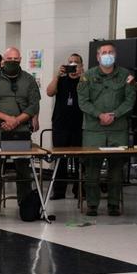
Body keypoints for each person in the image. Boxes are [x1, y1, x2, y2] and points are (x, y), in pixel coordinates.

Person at [0, 47, 41, 217]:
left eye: (16, 58)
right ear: (3, 61)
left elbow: (33, 105)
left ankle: (25, 203)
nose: (13, 61)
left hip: (21, 129)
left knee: (23, 168)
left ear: (20, 59)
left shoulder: (29, 80)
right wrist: (7, 118)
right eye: (9, 58)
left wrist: (17, 120)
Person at [77, 42, 135, 216]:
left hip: (118, 129)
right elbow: (83, 101)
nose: (107, 55)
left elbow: (130, 100)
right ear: (97, 57)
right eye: (104, 52)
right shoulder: (87, 76)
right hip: (94, 130)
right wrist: (99, 115)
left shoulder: (126, 76)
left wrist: (114, 114)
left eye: (110, 52)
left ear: (115, 55)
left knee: (116, 169)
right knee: (92, 169)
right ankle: (92, 204)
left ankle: (113, 204)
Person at [46, 53, 85, 200]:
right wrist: (57, 75)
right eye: (70, 62)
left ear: (81, 65)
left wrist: (82, 76)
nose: (73, 65)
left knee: (79, 159)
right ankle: (59, 191)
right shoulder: (61, 80)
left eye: (76, 62)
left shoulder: (84, 80)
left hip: (78, 125)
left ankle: (79, 190)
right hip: (60, 125)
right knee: (60, 159)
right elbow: (49, 92)